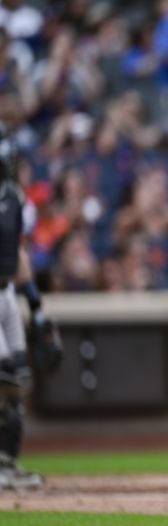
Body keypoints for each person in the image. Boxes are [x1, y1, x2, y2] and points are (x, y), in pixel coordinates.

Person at [0, 131, 59, 490]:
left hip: (5, 292)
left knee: (19, 377)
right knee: (4, 373)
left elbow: (18, 254)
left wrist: (35, 305)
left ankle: (8, 462)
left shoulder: (13, 198)